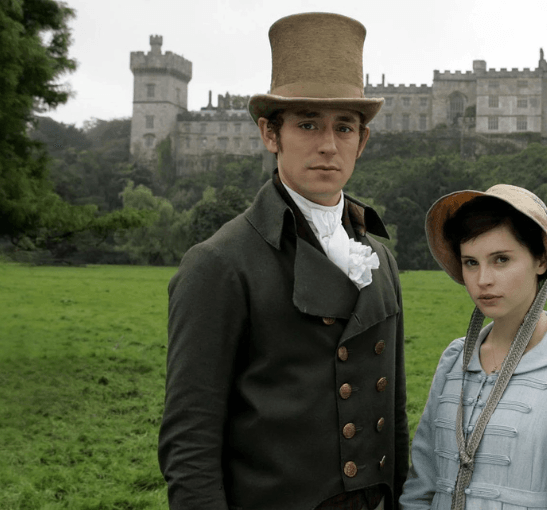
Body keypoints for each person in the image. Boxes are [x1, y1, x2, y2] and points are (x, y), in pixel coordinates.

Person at [158, 13, 408, 510]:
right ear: (270, 134)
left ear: (363, 140)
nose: (328, 145)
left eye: (345, 126)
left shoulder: (379, 256)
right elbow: (190, 444)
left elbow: (393, 415)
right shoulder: (219, 263)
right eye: (307, 123)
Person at [400, 185, 547, 510]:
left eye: (501, 259)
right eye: (471, 262)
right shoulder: (454, 360)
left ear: (542, 260)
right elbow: (421, 487)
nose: (483, 279)